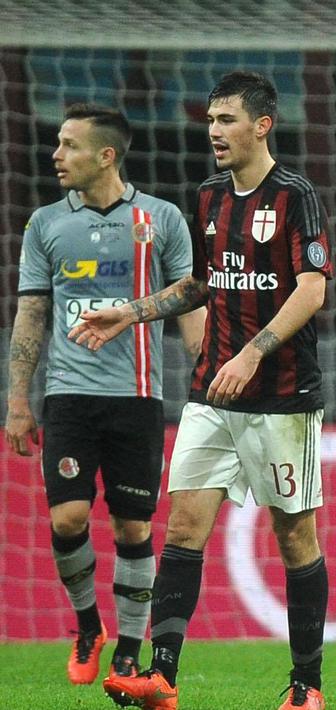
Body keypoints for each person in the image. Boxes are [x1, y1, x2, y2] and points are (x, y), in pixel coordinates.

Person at [69, 71, 333, 710]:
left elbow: (312, 288)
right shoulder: (210, 195)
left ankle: (307, 686)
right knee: (184, 526)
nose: (214, 131)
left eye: (226, 120)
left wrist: (252, 352)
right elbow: (201, 284)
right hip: (213, 392)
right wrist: (129, 313)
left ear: (262, 125)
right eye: (211, 120)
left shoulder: (295, 195)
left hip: (282, 396)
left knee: (294, 536)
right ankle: (162, 676)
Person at [4, 103, 202, 690]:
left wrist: (207, 374)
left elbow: (191, 297)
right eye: (58, 143)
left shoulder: (161, 219)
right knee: (67, 517)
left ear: (106, 155)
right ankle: (89, 626)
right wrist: (17, 400)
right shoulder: (44, 224)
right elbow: (31, 313)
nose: (56, 155)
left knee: (133, 529)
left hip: (137, 397)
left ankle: (129, 652)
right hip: (68, 394)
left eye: (69, 144)